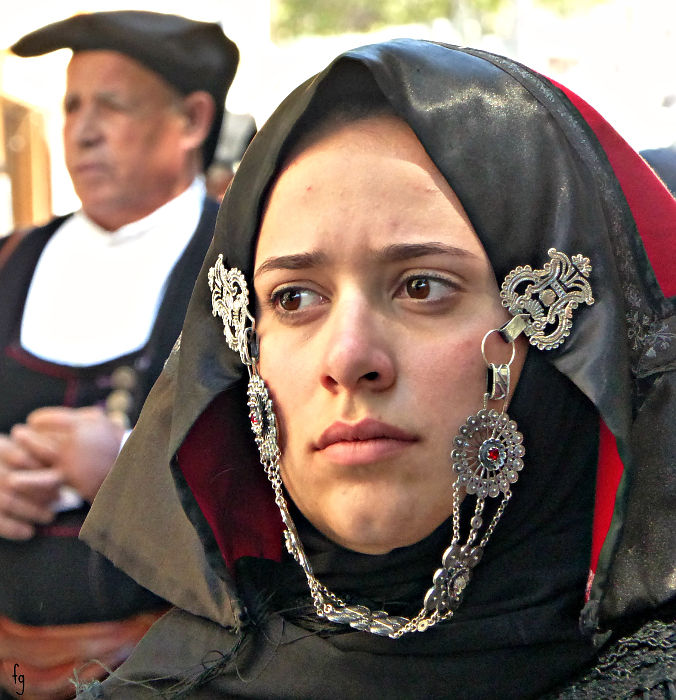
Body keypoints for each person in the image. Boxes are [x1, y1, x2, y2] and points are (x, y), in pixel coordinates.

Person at [75, 40, 674, 698]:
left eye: (423, 287)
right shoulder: (167, 685)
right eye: (295, 298)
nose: (348, 358)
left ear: (563, 328)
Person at [0, 11, 238, 699]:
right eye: (73, 105)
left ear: (192, 121)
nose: (83, 129)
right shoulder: (11, 261)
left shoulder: (246, 267)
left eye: (113, 105)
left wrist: (130, 469)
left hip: (183, 675)